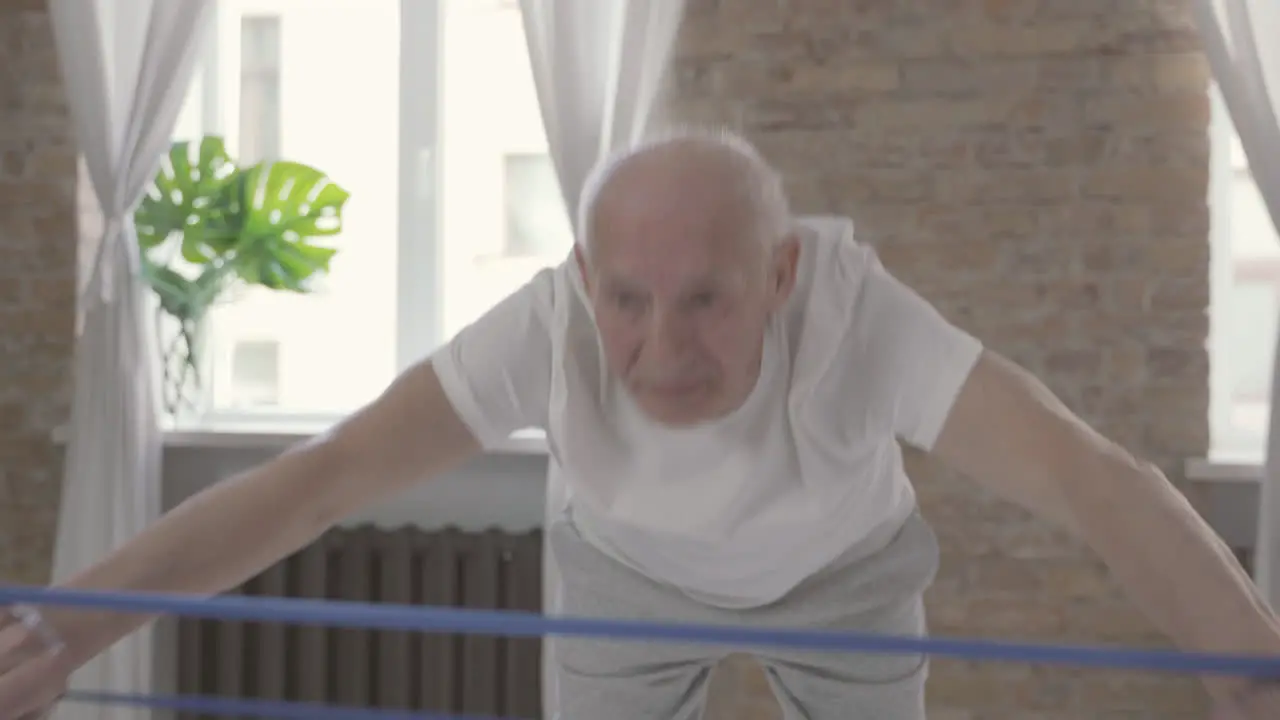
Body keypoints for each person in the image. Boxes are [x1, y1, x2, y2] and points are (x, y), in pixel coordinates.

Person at [1, 129, 1278, 720]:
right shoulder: (544, 325)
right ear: (582, 274)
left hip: (843, 577)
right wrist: (56, 631)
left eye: (709, 300)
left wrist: (1244, 653)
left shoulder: (856, 316)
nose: (662, 351)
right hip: (619, 574)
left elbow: (1085, 475)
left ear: (779, 276)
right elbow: (316, 483)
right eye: (627, 301)